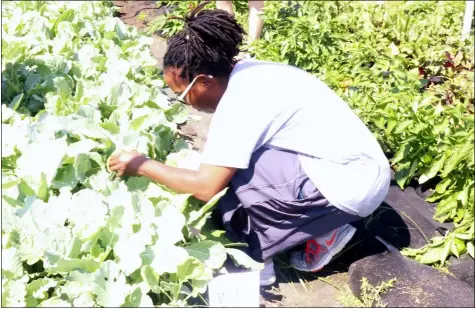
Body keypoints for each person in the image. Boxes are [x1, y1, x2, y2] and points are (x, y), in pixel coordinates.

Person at [108, 2, 391, 287]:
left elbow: (207, 187)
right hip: (356, 172)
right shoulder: (249, 72)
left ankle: (257, 262)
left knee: (232, 182)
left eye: (183, 96)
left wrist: (142, 165)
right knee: (228, 163)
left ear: (204, 81)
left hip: (350, 187)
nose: (186, 105)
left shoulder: (241, 102)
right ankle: (320, 227)